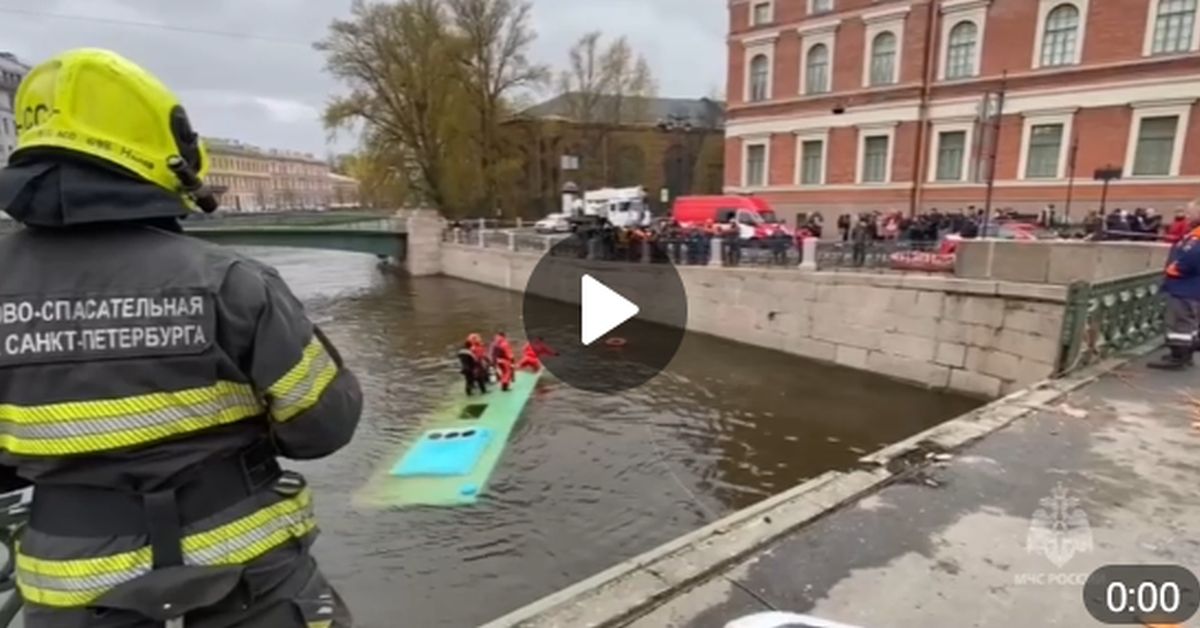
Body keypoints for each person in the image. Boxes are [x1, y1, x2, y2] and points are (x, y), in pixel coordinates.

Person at [0, 49, 361, 627]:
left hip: (71, 593)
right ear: (165, 150)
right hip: (247, 584)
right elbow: (325, 425)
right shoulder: (230, 283)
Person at [1150, 216, 1200, 370]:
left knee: (1180, 322)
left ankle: (1178, 356)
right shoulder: (1193, 234)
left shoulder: (1196, 237)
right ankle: (1185, 353)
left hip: (1186, 287)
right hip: (1189, 286)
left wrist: (1177, 269)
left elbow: (1192, 257)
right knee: (1189, 322)